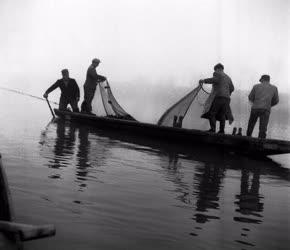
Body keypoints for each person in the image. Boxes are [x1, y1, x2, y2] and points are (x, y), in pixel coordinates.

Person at [199, 63, 234, 134]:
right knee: (222, 114)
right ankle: (221, 131)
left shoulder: (217, 73)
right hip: (227, 99)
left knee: (212, 113)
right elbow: (232, 88)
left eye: (215, 70)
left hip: (219, 97)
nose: (215, 71)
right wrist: (227, 93)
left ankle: (212, 129)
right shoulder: (228, 77)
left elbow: (215, 80)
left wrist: (204, 80)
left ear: (217, 69)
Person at [246, 75, 279, 139]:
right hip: (266, 109)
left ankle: (247, 140)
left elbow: (250, 97)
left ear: (262, 80)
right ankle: (260, 144)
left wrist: (256, 102)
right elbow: (276, 100)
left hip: (255, 108)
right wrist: (269, 104)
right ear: (268, 80)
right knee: (263, 129)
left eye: (261, 81)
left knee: (251, 126)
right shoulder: (274, 88)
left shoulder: (256, 86)